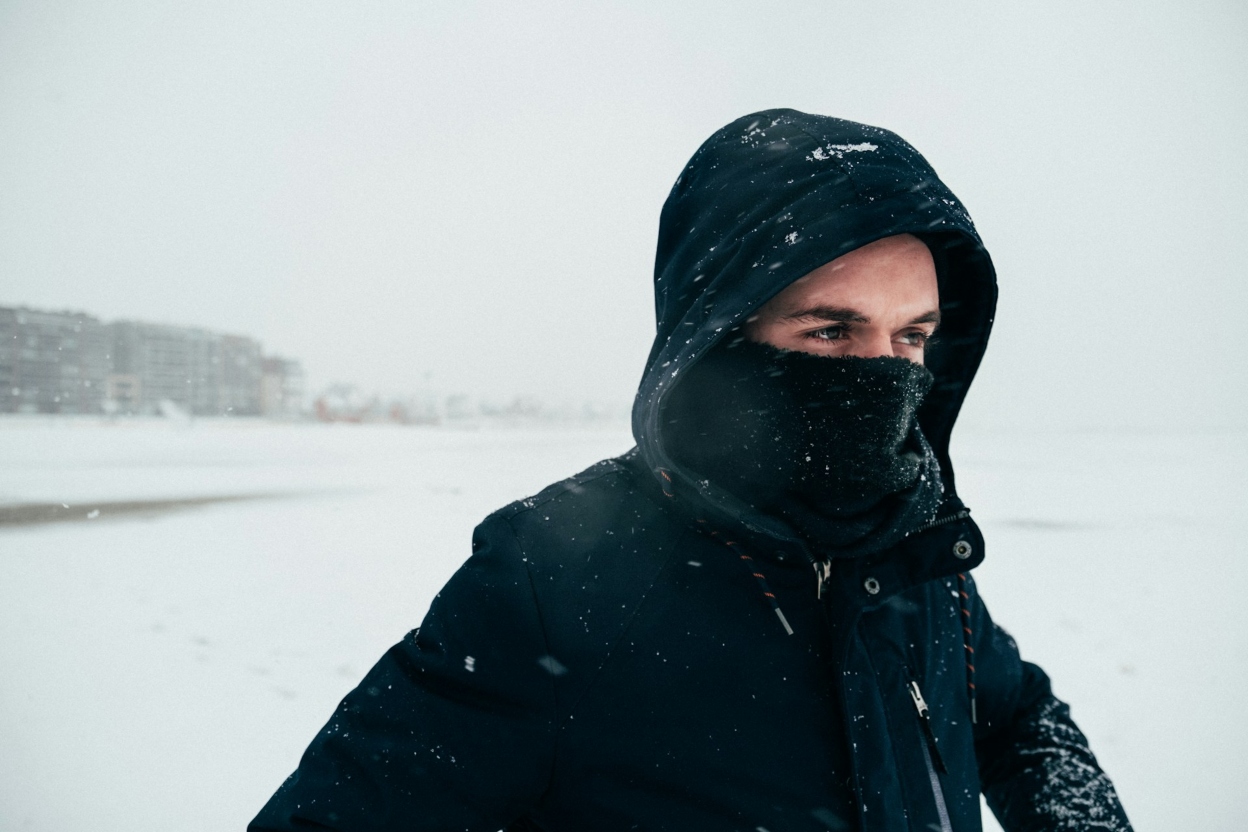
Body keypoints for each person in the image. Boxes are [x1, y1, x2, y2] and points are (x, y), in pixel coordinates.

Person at [250, 109, 1132, 832]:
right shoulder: (556, 579)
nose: (882, 375)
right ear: (720, 338)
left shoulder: (911, 543)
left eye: (911, 337)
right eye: (831, 330)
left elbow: (1016, 719)